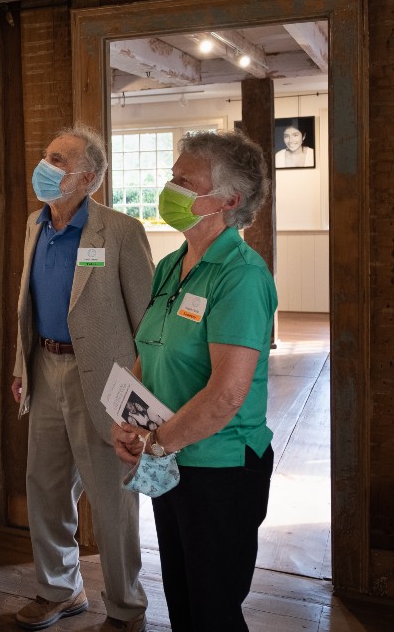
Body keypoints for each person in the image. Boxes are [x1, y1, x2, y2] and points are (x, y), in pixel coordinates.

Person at [113, 130, 278, 631]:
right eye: (173, 177)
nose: (170, 190)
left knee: (213, 612)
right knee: (183, 600)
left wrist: (157, 442)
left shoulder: (241, 275)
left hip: (221, 468)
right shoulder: (171, 265)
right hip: (171, 460)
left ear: (230, 200)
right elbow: (149, 352)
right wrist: (130, 422)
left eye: (185, 182)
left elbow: (227, 395)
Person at [11, 124, 154, 632]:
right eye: (46, 156)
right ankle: (60, 590)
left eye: (59, 160)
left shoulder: (120, 232)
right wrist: (21, 365)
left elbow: (148, 324)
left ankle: (126, 608)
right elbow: (29, 305)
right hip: (45, 368)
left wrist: (142, 400)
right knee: (45, 488)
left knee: (113, 499)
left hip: (108, 381)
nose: (45, 166)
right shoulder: (35, 225)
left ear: (88, 178)